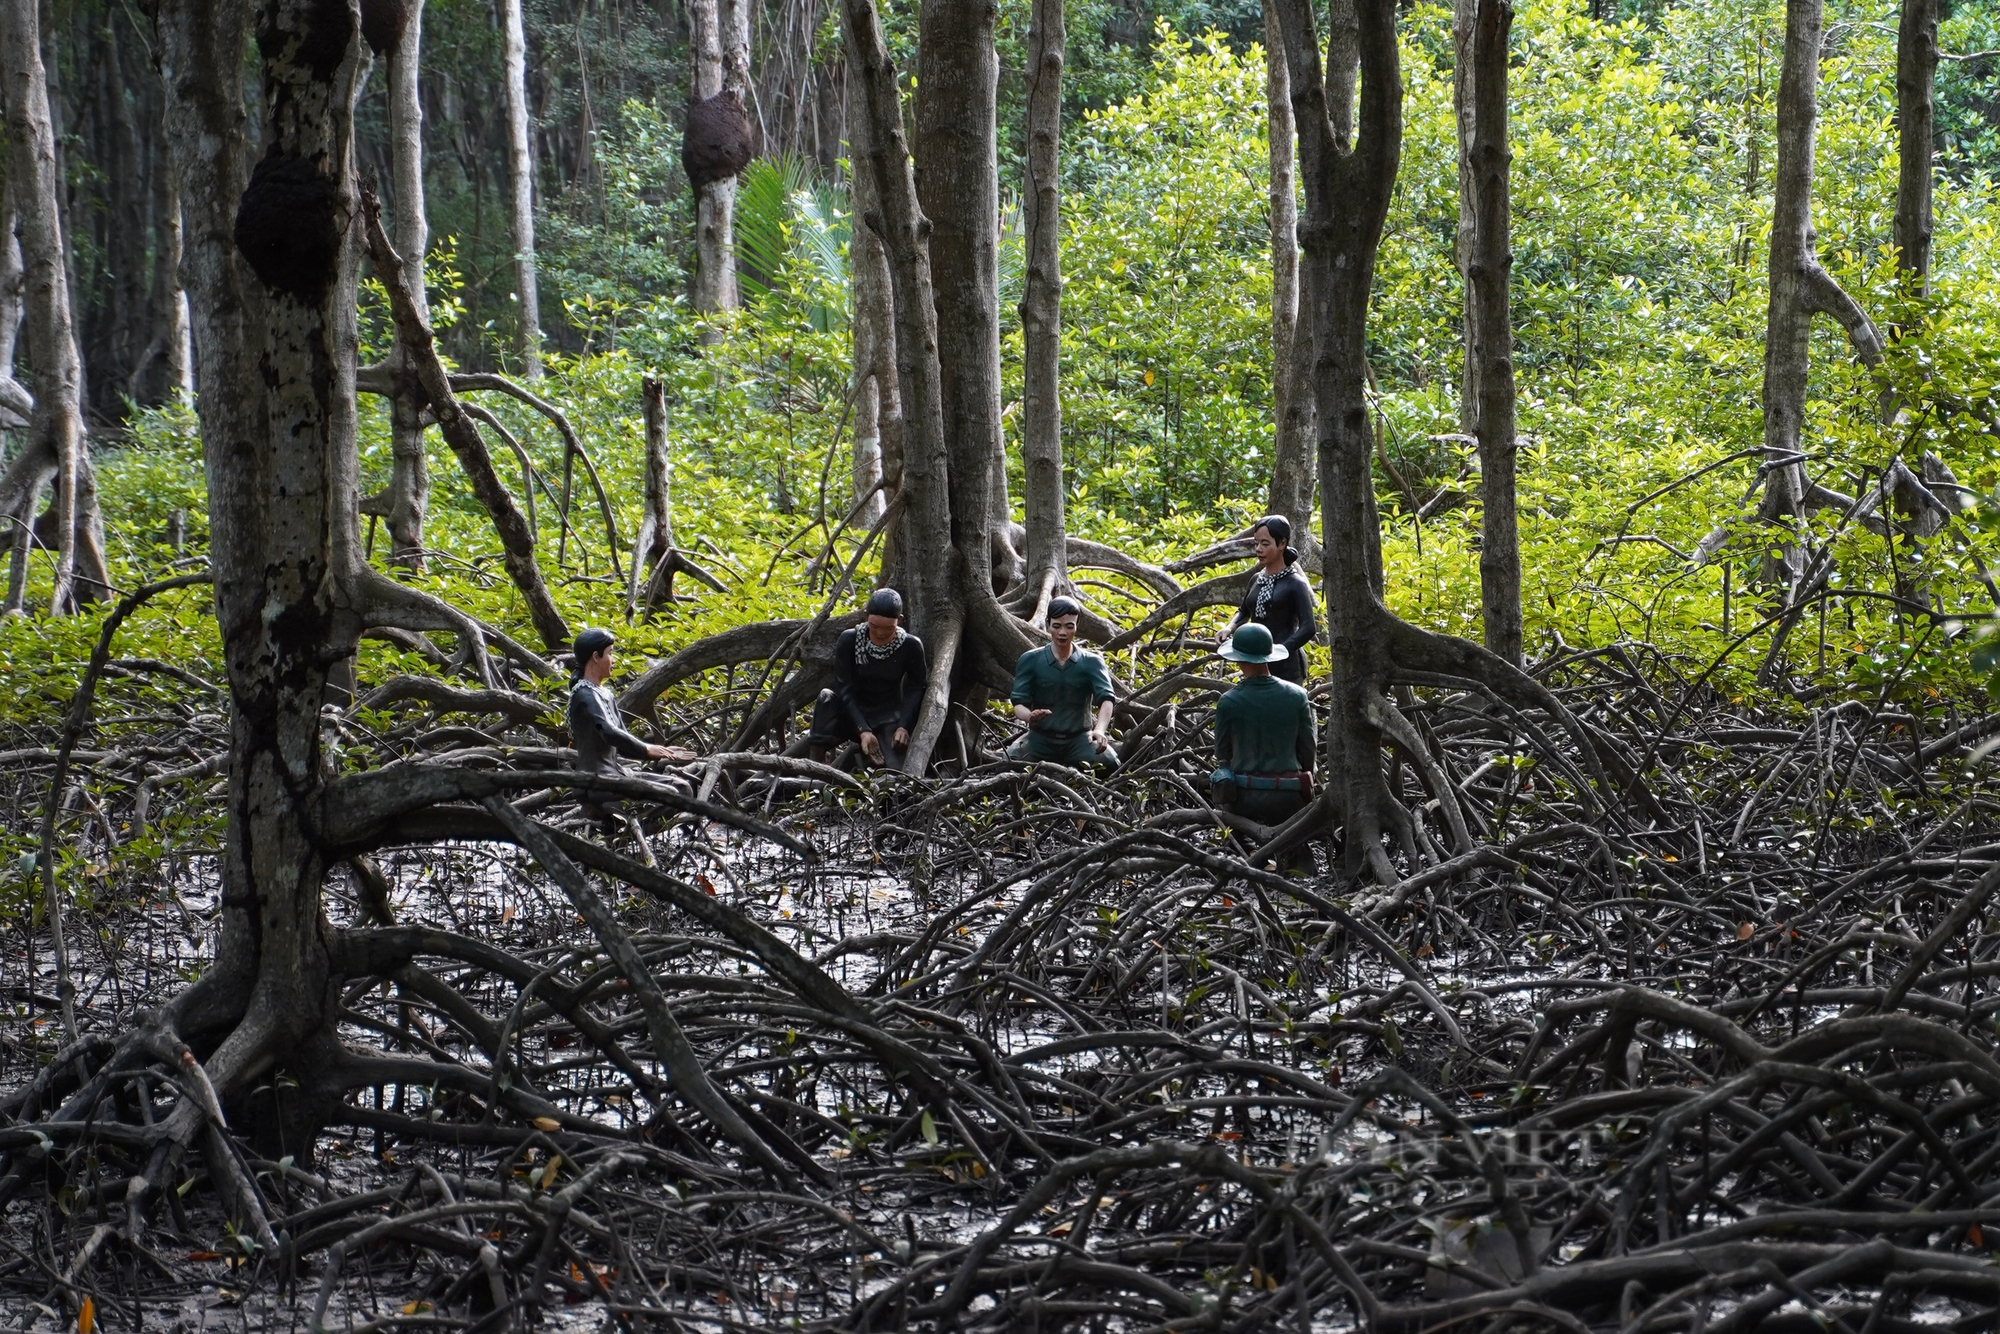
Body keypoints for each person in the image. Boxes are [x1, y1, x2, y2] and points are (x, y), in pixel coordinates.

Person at [1211, 622, 1316, 832]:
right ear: (1269, 657)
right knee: (1295, 852)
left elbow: (1222, 753)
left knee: (1239, 852)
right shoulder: (1297, 696)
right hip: (1290, 797)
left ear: (1238, 659)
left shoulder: (1229, 701)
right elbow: (1308, 748)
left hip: (1243, 799)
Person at [808, 589, 928, 769]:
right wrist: (862, 730)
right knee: (826, 697)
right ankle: (813, 766)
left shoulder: (910, 645)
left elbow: (917, 686)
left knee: (897, 772)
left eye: (888, 628)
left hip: (888, 718)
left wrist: (904, 726)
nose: (880, 633)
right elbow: (844, 687)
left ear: (900, 621)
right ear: (865, 617)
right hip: (852, 714)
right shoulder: (850, 639)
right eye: (874, 626)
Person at [568, 628, 673, 828]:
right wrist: (646, 749)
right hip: (595, 781)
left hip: (617, 773)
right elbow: (606, 731)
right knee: (672, 795)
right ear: (596, 657)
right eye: (610, 653)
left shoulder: (605, 693)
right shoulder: (584, 694)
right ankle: (618, 828)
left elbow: (622, 741)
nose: (613, 659)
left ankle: (620, 830)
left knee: (681, 788)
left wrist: (662, 753)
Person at [1009, 597, 1118, 768]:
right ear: (1048, 624)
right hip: (1039, 739)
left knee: (1111, 763)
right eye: (1057, 626)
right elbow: (1018, 704)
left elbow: (1107, 698)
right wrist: (1029, 716)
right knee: (1009, 762)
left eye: (1069, 626)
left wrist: (1099, 730)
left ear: (1077, 626)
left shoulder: (1091, 662)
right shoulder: (1030, 660)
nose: (1062, 632)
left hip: (1079, 739)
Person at [1219, 515, 1316, 685]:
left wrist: (1282, 649)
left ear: (1282, 544)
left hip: (1286, 663)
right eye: (1256, 543)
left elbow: (1308, 627)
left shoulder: (1295, 583)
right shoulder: (1256, 579)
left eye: (1265, 544)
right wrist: (1229, 627)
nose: (1258, 549)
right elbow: (1244, 610)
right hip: (1255, 660)